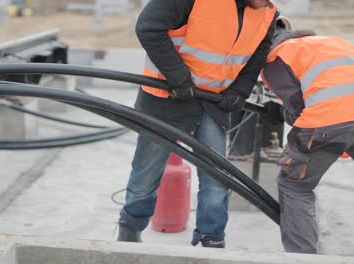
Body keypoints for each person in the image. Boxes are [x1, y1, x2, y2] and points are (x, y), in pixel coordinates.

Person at [117, 0, 278, 248]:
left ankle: (211, 239)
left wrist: (241, 89)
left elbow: (259, 51)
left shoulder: (267, 11)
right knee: (146, 173)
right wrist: (178, 78)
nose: (268, 3)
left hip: (213, 102)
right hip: (167, 96)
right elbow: (148, 27)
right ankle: (129, 231)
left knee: (216, 177)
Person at [261, 20, 354, 254]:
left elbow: (299, 110)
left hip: (329, 122)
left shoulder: (276, 57)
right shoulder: (330, 43)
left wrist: (281, 113)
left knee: (294, 185)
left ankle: (303, 258)